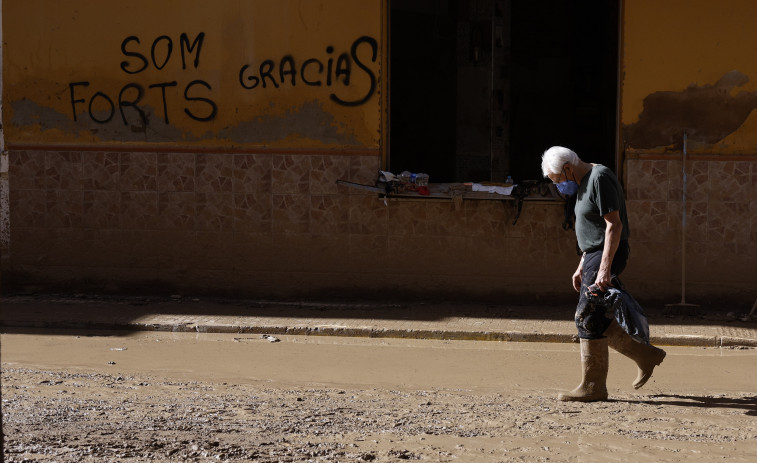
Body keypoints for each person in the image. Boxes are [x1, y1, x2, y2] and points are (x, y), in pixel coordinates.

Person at [541, 146, 666, 402]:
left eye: (558, 180)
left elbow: (613, 225)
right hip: (593, 255)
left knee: (585, 315)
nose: (559, 186)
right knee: (593, 317)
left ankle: (593, 387)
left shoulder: (600, 178)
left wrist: (604, 269)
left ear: (568, 168)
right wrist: (581, 266)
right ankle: (644, 356)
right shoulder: (584, 183)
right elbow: (591, 230)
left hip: (607, 254)